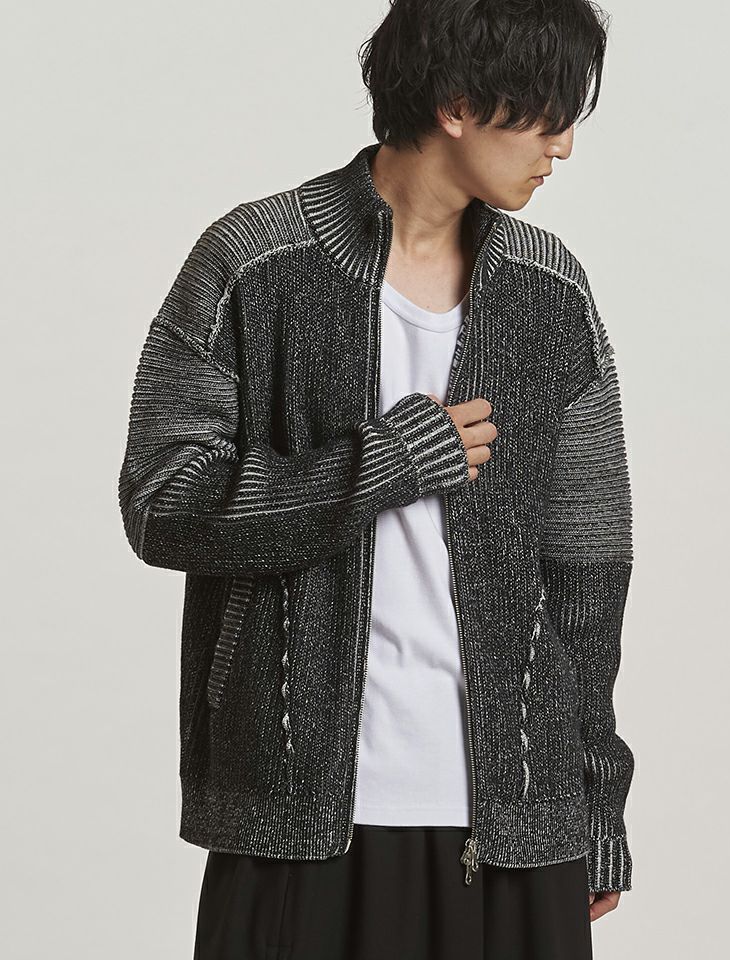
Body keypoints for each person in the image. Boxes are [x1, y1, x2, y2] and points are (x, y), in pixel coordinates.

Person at [117, 1, 635, 957]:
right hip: (296, 811)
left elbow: (587, 576)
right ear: (458, 104)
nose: (562, 144)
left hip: (517, 820)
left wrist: (596, 804)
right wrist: (380, 465)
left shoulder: (552, 294)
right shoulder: (255, 262)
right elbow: (162, 503)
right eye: (547, 112)